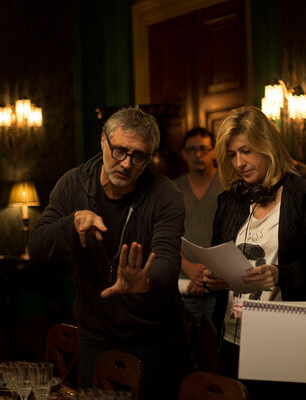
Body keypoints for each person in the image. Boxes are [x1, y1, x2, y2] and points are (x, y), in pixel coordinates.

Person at [27, 107, 190, 400]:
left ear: (149, 157)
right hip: (96, 337)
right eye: (119, 151)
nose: (126, 164)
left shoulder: (165, 194)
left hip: (155, 337)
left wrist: (145, 282)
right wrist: (72, 222)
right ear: (103, 142)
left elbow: (168, 259)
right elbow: (37, 248)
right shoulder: (73, 184)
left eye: (138, 156)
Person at [203, 106, 306, 399]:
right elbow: (219, 257)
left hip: (283, 339)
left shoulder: (304, 193)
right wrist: (211, 279)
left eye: (247, 151)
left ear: (268, 147)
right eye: (231, 155)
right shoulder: (230, 201)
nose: (239, 163)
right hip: (231, 336)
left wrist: (282, 274)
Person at [173, 127, 223, 369]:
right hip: (184, 284)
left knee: (227, 351)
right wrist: (189, 268)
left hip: (220, 281)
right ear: (184, 153)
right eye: (192, 149)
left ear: (213, 152)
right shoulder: (173, 189)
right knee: (184, 354)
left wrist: (208, 272)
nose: (198, 155)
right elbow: (164, 235)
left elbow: (236, 234)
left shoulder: (228, 184)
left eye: (203, 149)